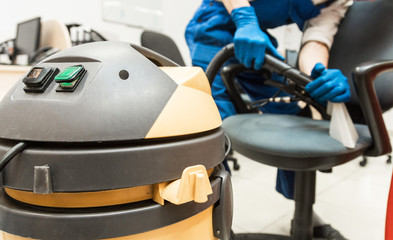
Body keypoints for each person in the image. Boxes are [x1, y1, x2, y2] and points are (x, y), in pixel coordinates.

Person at [185, 0, 352, 239]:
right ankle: (213, 225)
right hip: (214, 27)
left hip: (257, 40)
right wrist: (244, 17)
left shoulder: (340, 3)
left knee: (294, 114)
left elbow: (316, 40)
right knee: (213, 130)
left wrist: (318, 73)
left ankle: (304, 212)